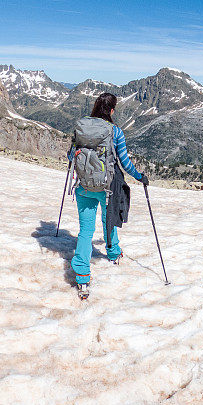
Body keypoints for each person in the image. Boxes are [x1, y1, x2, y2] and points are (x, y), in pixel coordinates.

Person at [70, 92, 148, 299]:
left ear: (95, 107)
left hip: (84, 186)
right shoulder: (115, 132)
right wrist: (140, 177)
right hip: (107, 187)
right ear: (112, 110)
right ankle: (113, 253)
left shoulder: (82, 126)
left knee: (85, 231)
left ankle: (82, 277)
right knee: (109, 220)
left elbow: (71, 155)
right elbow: (124, 162)